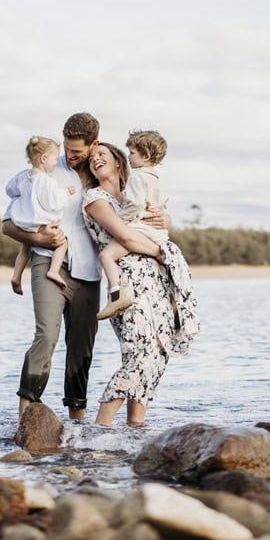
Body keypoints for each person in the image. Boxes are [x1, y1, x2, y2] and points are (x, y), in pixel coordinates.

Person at [2, 113, 168, 420]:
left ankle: (77, 422)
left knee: (81, 347)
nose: (70, 155)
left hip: (90, 271)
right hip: (50, 261)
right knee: (46, 336)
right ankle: (25, 415)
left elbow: (141, 214)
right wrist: (36, 236)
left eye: (77, 151)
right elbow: (8, 224)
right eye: (66, 148)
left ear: (93, 144)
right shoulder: (45, 171)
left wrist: (164, 218)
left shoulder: (106, 173)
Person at [82, 141, 198, 426]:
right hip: (126, 282)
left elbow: (158, 220)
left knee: (159, 352)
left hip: (157, 282)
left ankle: (135, 430)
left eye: (102, 155)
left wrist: (165, 218)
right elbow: (128, 238)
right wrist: (161, 252)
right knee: (139, 353)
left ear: (119, 162)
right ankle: (101, 428)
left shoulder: (136, 190)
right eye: (93, 158)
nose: (96, 159)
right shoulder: (95, 199)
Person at [95, 130, 170, 319]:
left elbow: (135, 204)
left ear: (146, 155)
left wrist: (121, 219)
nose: (129, 157)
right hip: (158, 233)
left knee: (106, 255)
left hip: (140, 229)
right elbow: (162, 204)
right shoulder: (157, 178)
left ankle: (116, 295)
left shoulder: (136, 177)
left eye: (132, 153)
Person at [6, 136, 77, 295]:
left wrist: (23, 196)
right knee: (62, 242)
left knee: (25, 248)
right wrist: (67, 192)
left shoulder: (23, 176)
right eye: (54, 159)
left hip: (24, 221)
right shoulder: (46, 180)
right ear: (44, 158)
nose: (56, 163)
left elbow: (9, 190)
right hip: (40, 223)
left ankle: (16, 276)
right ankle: (53, 270)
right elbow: (53, 202)